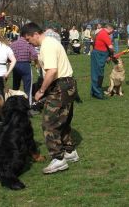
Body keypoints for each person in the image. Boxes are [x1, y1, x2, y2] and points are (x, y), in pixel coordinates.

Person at [21, 22, 79, 174]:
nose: (29, 43)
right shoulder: (51, 43)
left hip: (61, 86)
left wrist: (41, 90)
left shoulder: (47, 45)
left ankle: (58, 159)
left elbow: (52, 71)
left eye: (28, 40)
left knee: (49, 123)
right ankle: (70, 151)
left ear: (35, 34)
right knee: (63, 120)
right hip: (68, 84)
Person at [10, 36, 38, 105]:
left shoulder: (13, 44)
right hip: (26, 65)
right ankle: (28, 103)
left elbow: (9, 55)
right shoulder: (28, 44)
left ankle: (14, 103)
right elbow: (34, 55)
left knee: (15, 86)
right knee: (28, 87)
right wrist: (33, 60)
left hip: (16, 65)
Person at [90, 23, 115, 99]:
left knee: (97, 74)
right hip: (98, 55)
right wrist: (112, 55)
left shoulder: (101, 32)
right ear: (110, 29)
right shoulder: (104, 34)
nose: (112, 33)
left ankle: (94, 92)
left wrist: (108, 56)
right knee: (98, 75)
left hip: (99, 55)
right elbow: (111, 47)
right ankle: (97, 93)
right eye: (112, 31)